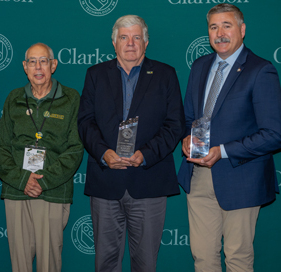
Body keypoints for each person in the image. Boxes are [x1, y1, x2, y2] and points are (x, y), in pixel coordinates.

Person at [178, 4, 281, 272]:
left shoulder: (260, 70)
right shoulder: (200, 66)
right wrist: (186, 138)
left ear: (242, 29)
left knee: (238, 259)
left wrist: (224, 151)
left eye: (227, 25)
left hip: (241, 179)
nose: (220, 33)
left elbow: (276, 135)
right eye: (214, 27)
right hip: (199, 176)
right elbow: (188, 117)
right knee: (203, 257)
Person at [78, 15, 185, 272]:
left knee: (146, 263)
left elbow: (175, 125)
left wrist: (145, 154)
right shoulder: (95, 75)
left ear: (146, 42)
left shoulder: (165, 74)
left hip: (149, 179)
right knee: (105, 262)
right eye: (124, 37)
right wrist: (103, 152)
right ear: (114, 43)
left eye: (137, 37)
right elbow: (85, 122)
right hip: (106, 181)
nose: (130, 43)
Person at [0, 43, 83, 272]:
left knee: (49, 263)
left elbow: (75, 148)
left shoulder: (71, 98)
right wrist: (24, 180)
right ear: (25, 67)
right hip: (17, 190)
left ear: (53, 65)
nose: (38, 66)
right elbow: (1, 146)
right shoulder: (14, 98)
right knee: (19, 262)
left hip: (52, 191)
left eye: (43, 60)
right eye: (32, 61)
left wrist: (42, 181)